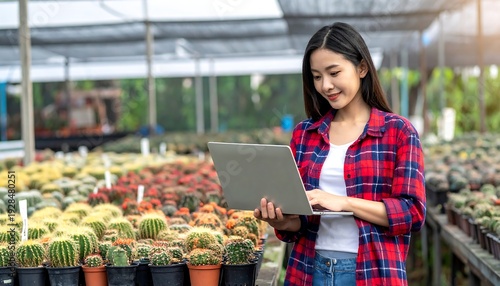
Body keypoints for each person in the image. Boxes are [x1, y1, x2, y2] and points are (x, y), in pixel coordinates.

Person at [253, 22, 426, 286]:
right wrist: (282, 220)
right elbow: (303, 222)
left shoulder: (398, 132)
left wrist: (344, 202)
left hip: (372, 273)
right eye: (317, 76)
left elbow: (411, 212)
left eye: (334, 72)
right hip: (310, 270)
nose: (326, 85)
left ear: (362, 67)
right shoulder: (305, 135)